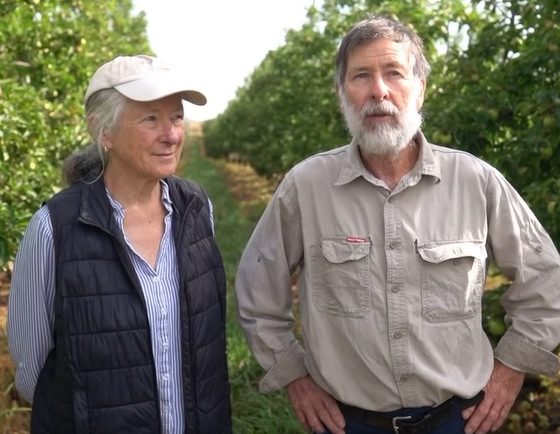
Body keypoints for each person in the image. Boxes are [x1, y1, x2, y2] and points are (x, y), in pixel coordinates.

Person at [234, 15, 560, 434]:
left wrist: (511, 370)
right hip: (347, 422)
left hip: (457, 420)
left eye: (394, 73)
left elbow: (547, 281)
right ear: (341, 93)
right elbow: (257, 292)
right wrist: (295, 378)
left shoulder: (475, 181)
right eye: (361, 76)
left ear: (420, 88)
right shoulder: (307, 186)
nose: (379, 91)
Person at [7, 55, 232, 434]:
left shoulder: (197, 209)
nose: (172, 134)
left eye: (176, 117)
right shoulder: (55, 228)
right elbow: (33, 373)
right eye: (150, 119)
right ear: (103, 131)